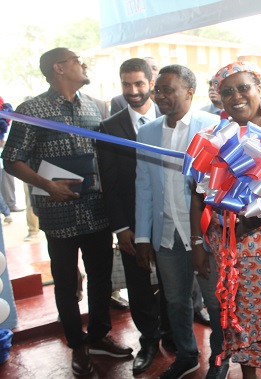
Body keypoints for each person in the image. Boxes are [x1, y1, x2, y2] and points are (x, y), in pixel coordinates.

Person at [1, 47, 132, 376]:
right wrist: (48, 184)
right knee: (64, 281)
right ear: (59, 68)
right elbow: (11, 158)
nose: (83, 64)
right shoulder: (33, 109)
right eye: (76, 61)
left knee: (102, 278)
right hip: (58, 213)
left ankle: (100, 336)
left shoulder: (95, 107)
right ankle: (77, 344)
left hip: (97, 209)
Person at [191, 61, 261, 379]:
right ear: (217, 97)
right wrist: (198, 242)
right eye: (227, 91)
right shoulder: (209, 138)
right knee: (238, 318)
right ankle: (248, 374)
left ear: (259, 89)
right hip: (230, 248)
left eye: (243, 87)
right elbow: (197, 196)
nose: (236, 96)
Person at [135, 64, 219, 379]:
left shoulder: (212, 127)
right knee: (175, 301)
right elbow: (143, 186)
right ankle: (187, 355)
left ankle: (220, 359)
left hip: (207, 235)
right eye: (158, 90)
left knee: (215, 303)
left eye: (168, 89)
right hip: (166, 234)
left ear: (189, 91)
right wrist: (143, 236)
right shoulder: (147, 132)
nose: (160, 96)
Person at [97, 57, 166, 374]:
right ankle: (149, 340)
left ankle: (174, 334)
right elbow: (109, 185)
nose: (133, 90)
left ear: (151, 82)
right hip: (132, 222)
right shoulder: (109, 128)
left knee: (173, 281)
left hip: (170, 220)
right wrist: (121, 228)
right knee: (139, 285)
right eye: (127, 84)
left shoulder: (170, 117)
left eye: (139, 83)